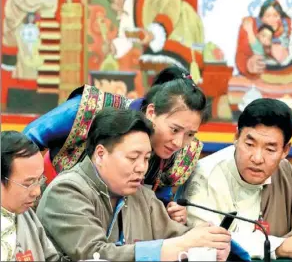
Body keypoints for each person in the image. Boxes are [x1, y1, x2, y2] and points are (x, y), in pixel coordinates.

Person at [36, 108, 231, 261]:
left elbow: (178, 236)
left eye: (146, 158)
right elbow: (94, 255)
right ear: (101, 154)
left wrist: (209, 244)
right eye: (133, 157)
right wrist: (179, 246)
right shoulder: (66, 191)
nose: (142, 168)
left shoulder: (142, 196)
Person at [23, 66, 208, 224]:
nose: (179, 142)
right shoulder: (92, 108)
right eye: (174, 130)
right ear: (151, 112)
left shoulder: (182, 154)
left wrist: (170, 214)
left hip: (117, 235)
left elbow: (159, 201)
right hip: (46, 211)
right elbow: (25, 141)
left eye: (190, 134)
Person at [179, 98, 292, 260]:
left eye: (270, 149)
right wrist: (280, 246)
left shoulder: (283, 171)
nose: (257, 158)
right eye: (250, 144)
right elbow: (206, 241)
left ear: (285, 150)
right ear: (236, 137)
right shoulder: (205, 174)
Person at [104, 0, 204, 70]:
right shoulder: (126, 18)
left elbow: (172, 1)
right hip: (164, 55)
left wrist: (156, 31)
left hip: (185, 31)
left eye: (113, 1)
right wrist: (113, 47)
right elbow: (126, 36)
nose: (112, 7)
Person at [1, 131, 59, 261]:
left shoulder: (26, 215)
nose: (37, 192)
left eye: (39, 180)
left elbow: (51, 258)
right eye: (28, 183)